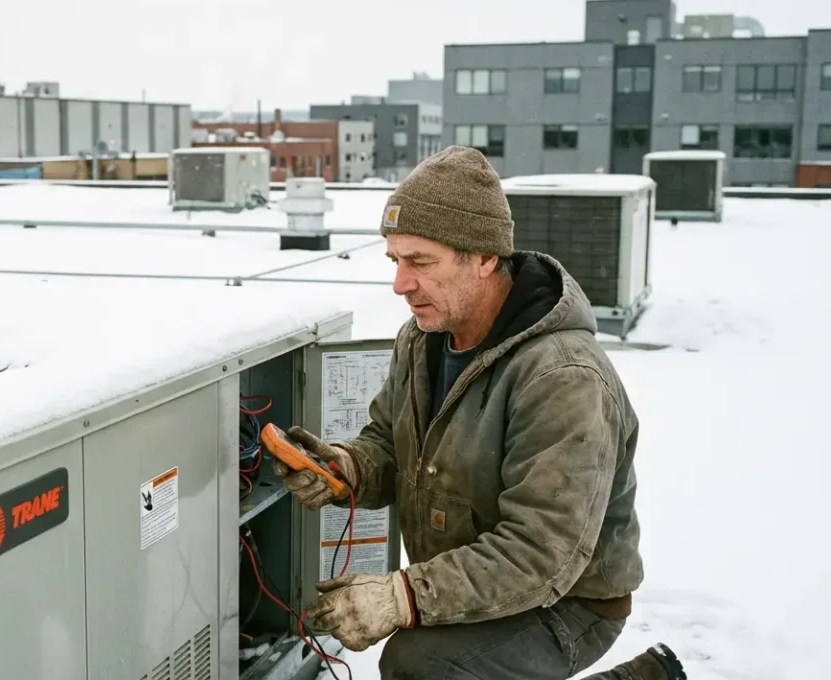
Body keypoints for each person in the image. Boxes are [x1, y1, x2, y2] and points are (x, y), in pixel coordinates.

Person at [273, 146, 687, 680]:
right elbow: (389, 444)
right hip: (476, 575)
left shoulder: (561, 376)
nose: (400, 284)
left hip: (568, 602)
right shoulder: (422, 341)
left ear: (485, 257)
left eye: (420, 262)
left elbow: (543, 553)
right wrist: (347, 469)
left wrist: (403, 597)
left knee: (421, 666)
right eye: (395, 261)